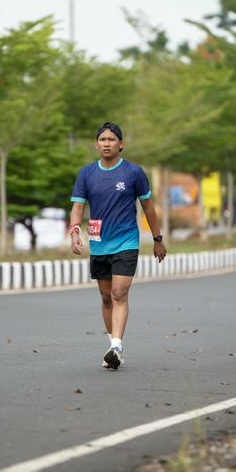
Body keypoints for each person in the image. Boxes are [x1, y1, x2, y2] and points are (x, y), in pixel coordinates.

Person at [70, 121, 167, 369]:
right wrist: (74, 231)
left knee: (119, 293)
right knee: (106, 297)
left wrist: (157, 239)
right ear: (96, 144)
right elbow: (78, 206)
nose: (107, 144)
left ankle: (116, 346)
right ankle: (112, 345)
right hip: (99, 243)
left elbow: (148, 207)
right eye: (102, 140)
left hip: (126, 241)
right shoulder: (87, 173)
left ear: (121, 144)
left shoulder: (133, 172)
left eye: (111, 139)